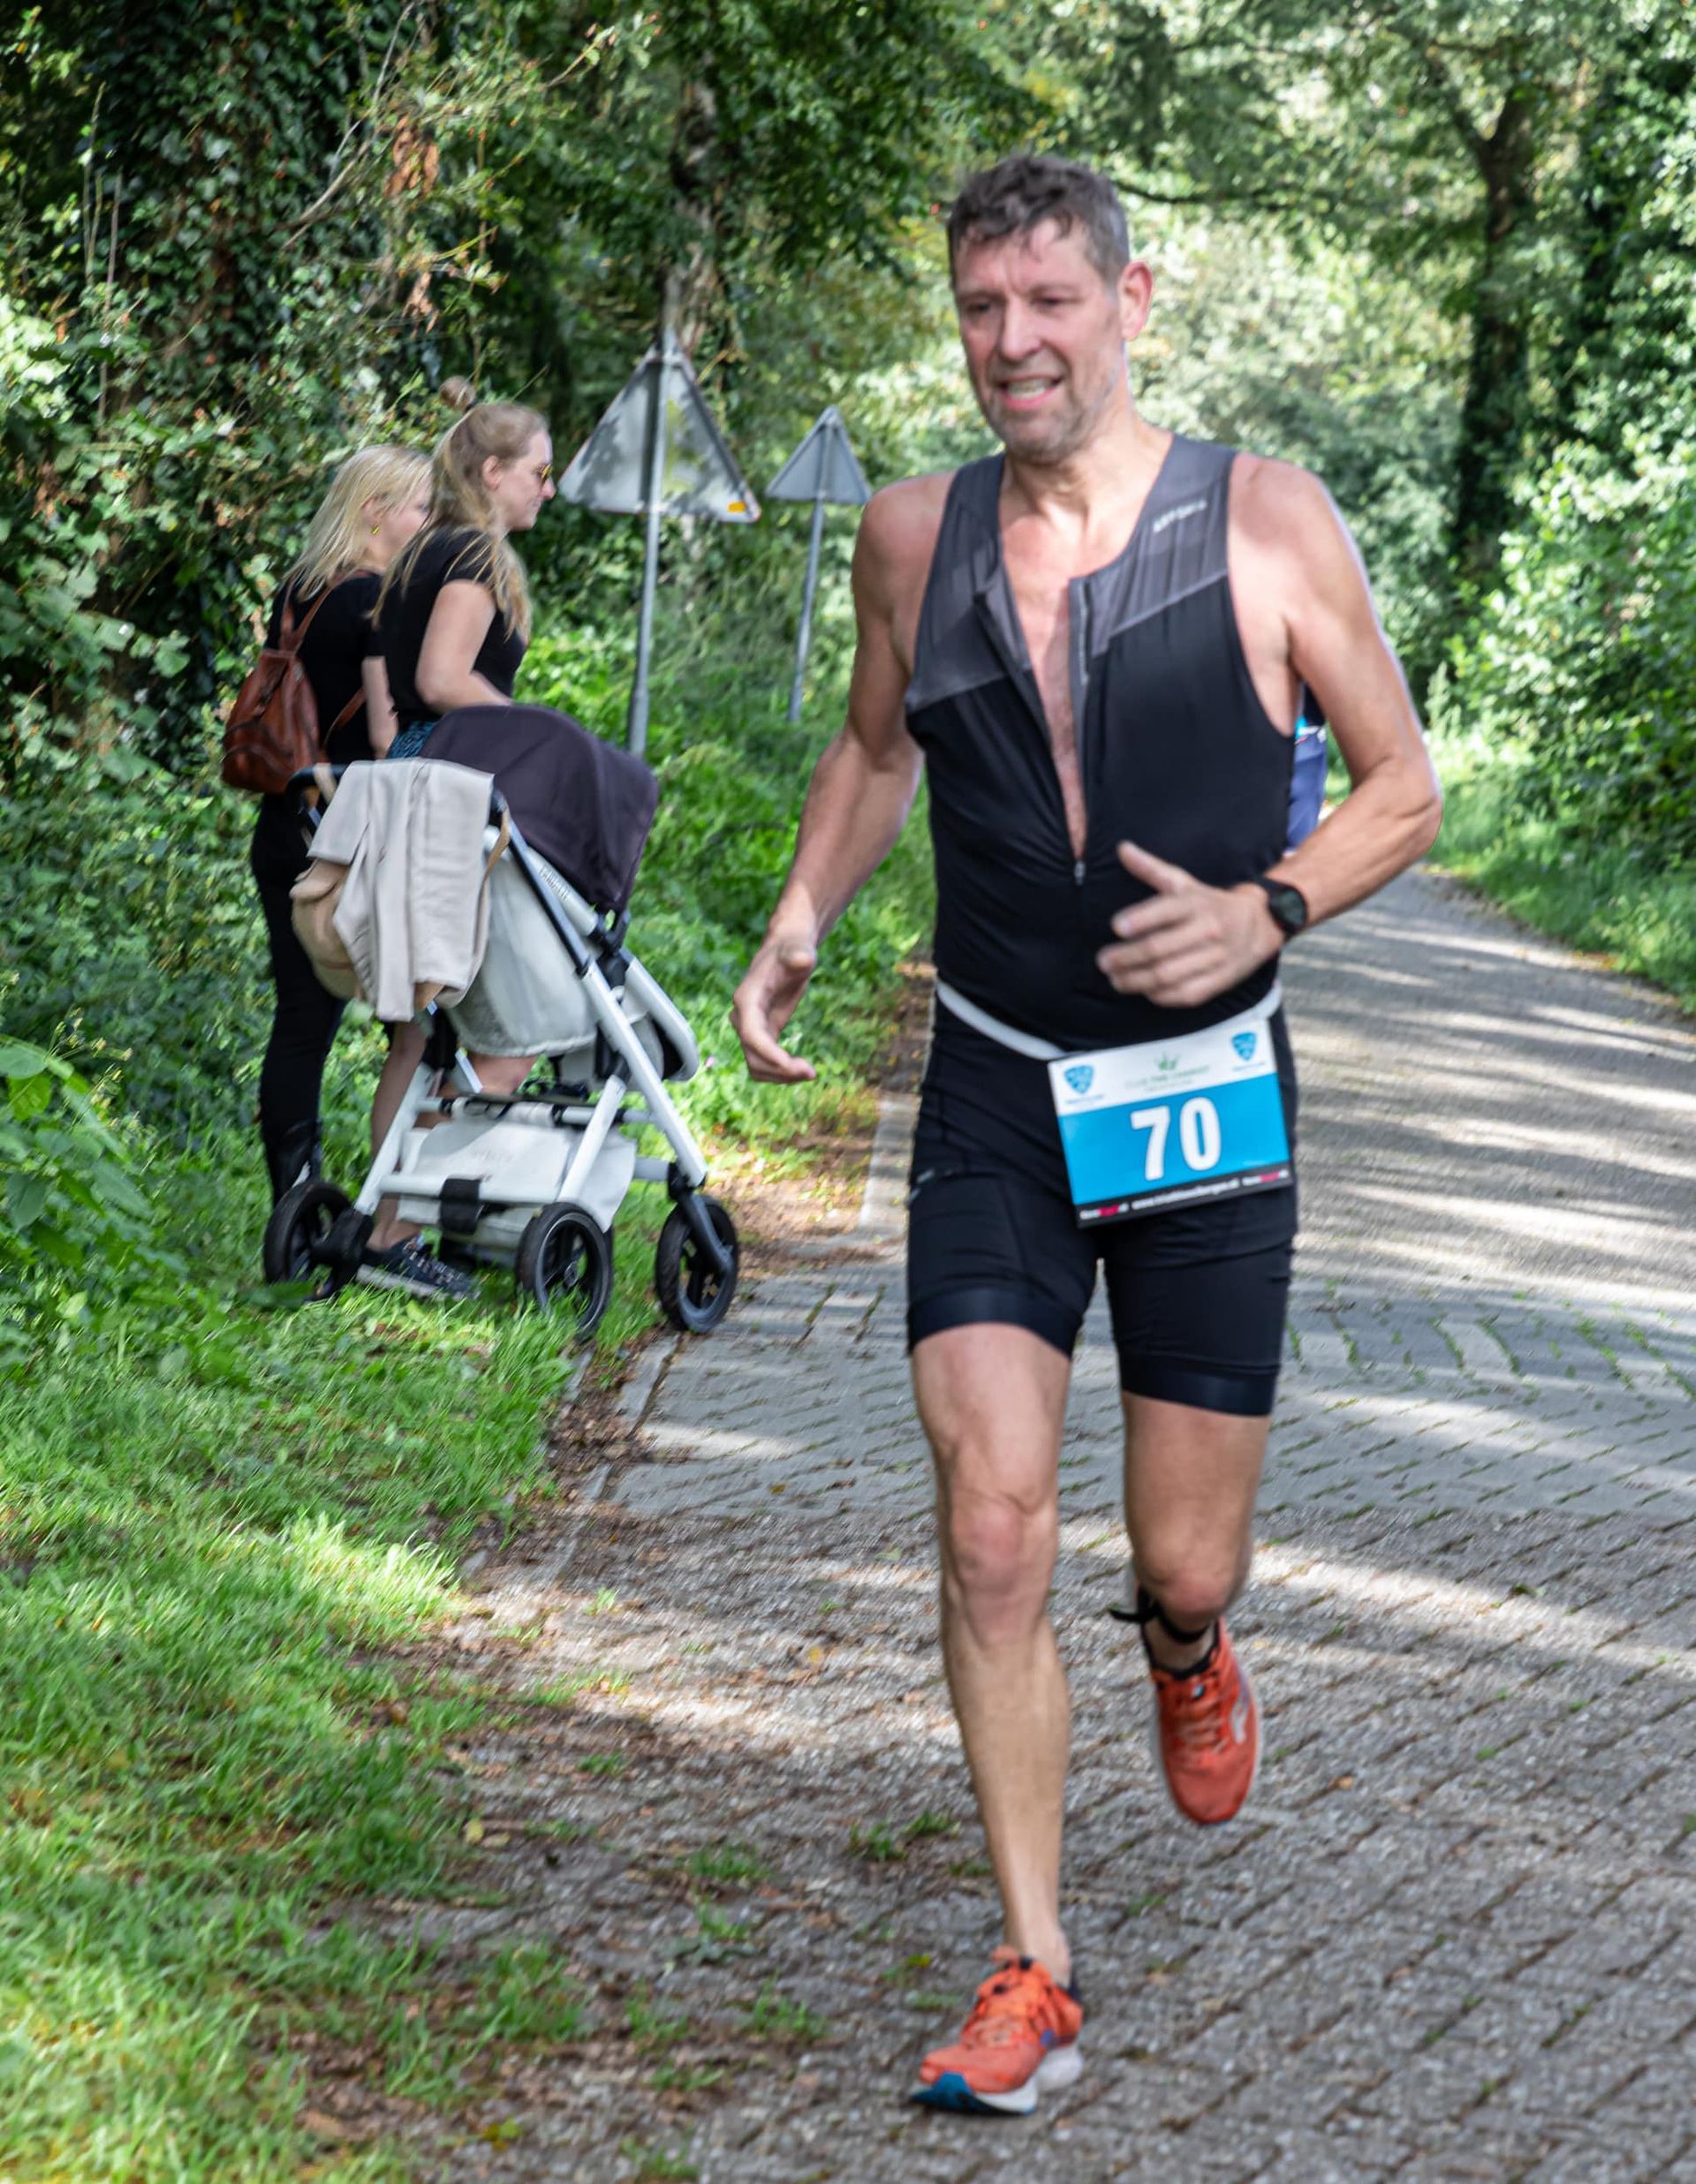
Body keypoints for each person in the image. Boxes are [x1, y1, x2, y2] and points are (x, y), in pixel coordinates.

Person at [731, 154, 1442, 2117]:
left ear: (1135, 302)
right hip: (994, 1084)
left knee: (1177, 1551)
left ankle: (1193, 1645)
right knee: (987, 1522)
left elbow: (1403, 789)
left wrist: (1268, 908)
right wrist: (803, 915)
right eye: (981, 310)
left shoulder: (1268, 521)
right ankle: (1035, 1966)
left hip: (1206, 1089)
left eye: (1050, 304)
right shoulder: (910, 533)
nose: (1013, 344)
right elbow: (879, 748)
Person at [358, 383, 556, 1298]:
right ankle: (419, 1225)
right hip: (452, 789)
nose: (545, 491)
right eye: (538, 473)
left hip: (405, 777)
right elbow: (442, 677)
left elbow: (395, 693)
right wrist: (537, 730)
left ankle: (384, 1221)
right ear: (492, 473)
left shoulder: (418, 552)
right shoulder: (474, 551)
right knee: (499, 1020)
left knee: (415, 1028)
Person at [249, 445, 430, 1205]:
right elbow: (388, 739)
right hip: (352, 831)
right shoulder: (374, 602)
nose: (426, 523)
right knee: (416, 1017)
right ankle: (404, 1204)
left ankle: (295, 1198)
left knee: (301, 1018)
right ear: (375, 510)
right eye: (419, 507)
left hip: (285, 821)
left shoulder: (298, 589)